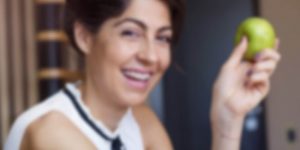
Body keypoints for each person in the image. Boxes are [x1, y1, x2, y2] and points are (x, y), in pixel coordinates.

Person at [4, 0, 281, 150]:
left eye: (162, 38)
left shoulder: (140, 121)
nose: (151, 55)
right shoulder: (51, 132)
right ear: (85, 36)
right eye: (130, 33)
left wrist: (228, 119)